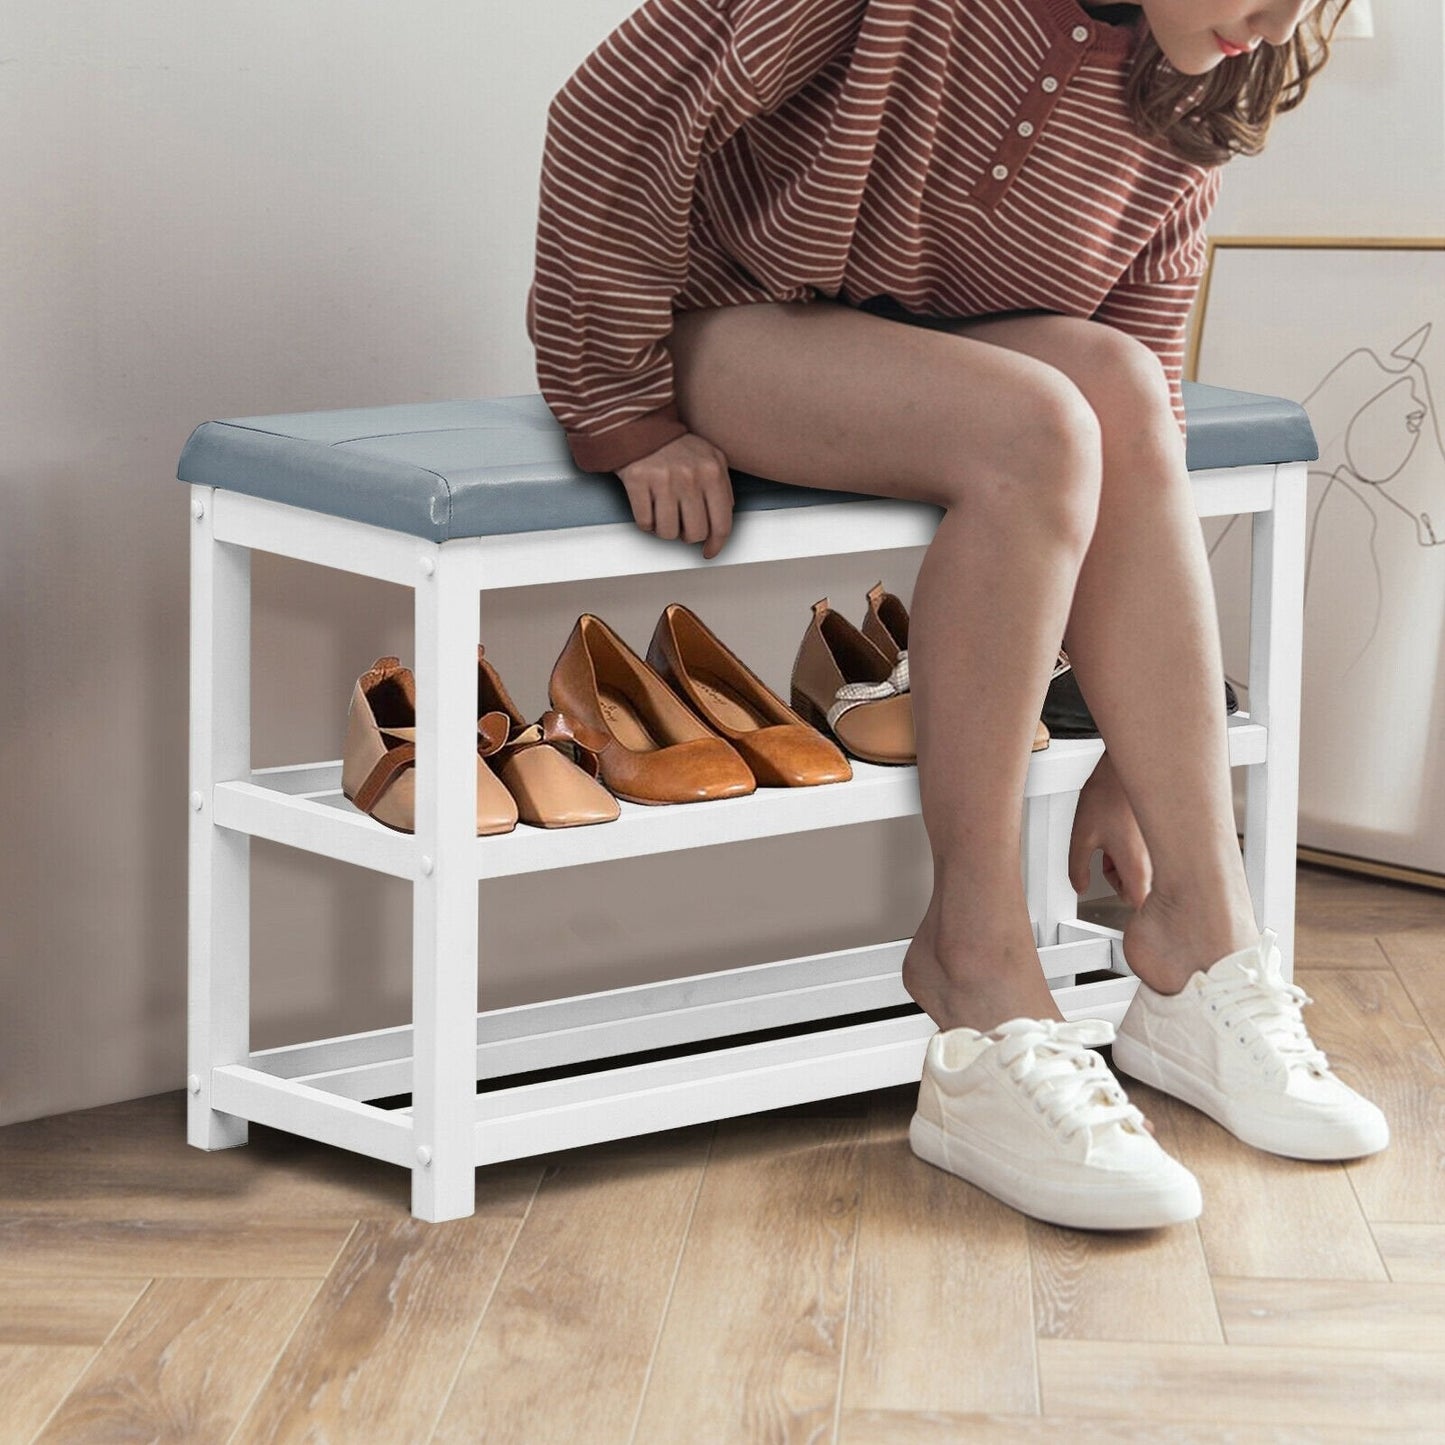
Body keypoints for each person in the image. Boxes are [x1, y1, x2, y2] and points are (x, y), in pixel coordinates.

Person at [526, 0, 1389, 1230]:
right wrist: (617, 404)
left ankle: (1200, 938)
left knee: (1127, 386)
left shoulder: (1203, 61)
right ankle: (975, 961)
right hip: (730, 326)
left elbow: (1136, 375)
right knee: (1037, 429)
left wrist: (1123, 758)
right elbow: (614, 109)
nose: (1282, 15)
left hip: (945, 358)